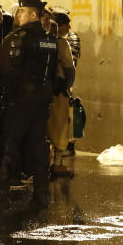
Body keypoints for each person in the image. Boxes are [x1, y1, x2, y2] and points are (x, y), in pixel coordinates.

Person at [0, 0, 58, 206]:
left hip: (21, 100)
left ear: (32, 15)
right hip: (42, 101)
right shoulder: (50, 39)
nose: (18, 16)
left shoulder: (19, 37)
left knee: (11, 144)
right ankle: (41, 193)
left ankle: (1, 192)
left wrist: (7, 98)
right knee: (38, 145)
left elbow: (10, 71)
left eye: (22, 12)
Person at [48, 11, 76, 177]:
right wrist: (68, 86)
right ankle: (57, 165)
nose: (69, 27)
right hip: (59, 92)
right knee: (60, 128)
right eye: (67, 24)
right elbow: (69, 69)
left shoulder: (45, 41)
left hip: (46, 91)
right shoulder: (63, 44)